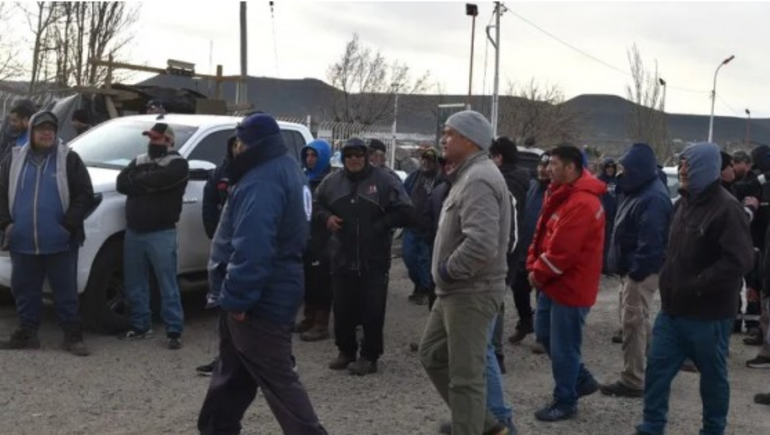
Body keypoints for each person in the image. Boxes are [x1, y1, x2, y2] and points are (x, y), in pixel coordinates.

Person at [197, 113, 328, 435]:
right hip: (260, 291)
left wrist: (239, 299)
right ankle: (216, 428)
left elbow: (254, 246)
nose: (236, 147)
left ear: (251, 143)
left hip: (260, 298)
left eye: (239, 141)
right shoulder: (284, 168)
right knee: (233, 373)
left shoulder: (262, 180)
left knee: (279, 381)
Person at [633, 142, 753, 435]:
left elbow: (739, 261)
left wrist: (697, 285)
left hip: (709, 317)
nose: (683, 170)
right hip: (672, 313)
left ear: (705, 168)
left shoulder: (727, 209)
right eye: (682, 163)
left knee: (713, 378)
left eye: (688, 164)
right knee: (658, 370)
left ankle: (713, 430)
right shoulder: (682, 204)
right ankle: (652, 426)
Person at [419, 110, 513, 435]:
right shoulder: (466, 175)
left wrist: (446, 270)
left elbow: (482, 243)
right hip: (454, 291)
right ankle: (482, 423)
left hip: (471, 291)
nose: (443, 139)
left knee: (466, 377)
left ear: (470, 139)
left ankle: (470, 426)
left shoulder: (480, 179)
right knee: (432, 354)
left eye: (450, 133)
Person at [315, 137, 412, 376]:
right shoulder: (331, 182)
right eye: (349, 156)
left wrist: (381, 225)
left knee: (372, 309)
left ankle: (370, 356)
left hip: (374, 259)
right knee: (343, 308)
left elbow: (406, 210)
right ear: (343, 158)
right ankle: (345, 351)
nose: (354, 160)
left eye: (359, 155)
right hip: (341, 257)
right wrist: (326, 218)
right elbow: (315, 204)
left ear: (366, 157)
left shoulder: (384, 180)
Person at [0, 111, 94, 356]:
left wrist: (67, 226)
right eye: (41, 129)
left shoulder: (69, 159)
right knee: (24, 290)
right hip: (22, 241)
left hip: (61, 241)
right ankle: (27, 334)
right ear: (31, 131)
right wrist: (6, 225)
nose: (46, 133)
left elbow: (85, 194)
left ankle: (72, 336)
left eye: (50, 129)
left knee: (65, 292)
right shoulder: (13, 159)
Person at [527, 144, 605, 422]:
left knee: (564, 347)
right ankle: (580, 379)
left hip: (571, 287)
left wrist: (537, 272)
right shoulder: (562, 194)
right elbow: (542, 234)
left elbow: (563, 251)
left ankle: (566, 400)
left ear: (571, 167)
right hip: (554, 284)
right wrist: (533, 264)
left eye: (554, 164)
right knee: (545, 335)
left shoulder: (582, 202)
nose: (548, 168)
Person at [601, 143, 673, 398]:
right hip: (633, 270)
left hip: (640, 272)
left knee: (633, 323)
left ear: (638, 169)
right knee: (638, 321)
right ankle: (662, 367)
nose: (621, 172)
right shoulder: (637, 190)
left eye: (625, 167)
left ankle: (633, 380)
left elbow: (652, 242)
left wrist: (635, 272)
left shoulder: (652, 197)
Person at [116, 122, 189, 349]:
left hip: (161, 232)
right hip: (135, 230)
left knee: (167, 283)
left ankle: (174, 330)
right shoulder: (139, 159)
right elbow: (121, 183)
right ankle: (140, 325)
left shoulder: (178, 164)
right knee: (135, 283)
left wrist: (141, 182)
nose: (152, 142)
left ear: (169, 141)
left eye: (157, 139)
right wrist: (148, 183)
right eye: (150, 138)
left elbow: (164, 180)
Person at [195, 134, 237, 376]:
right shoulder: (220, 171)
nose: (239, 148)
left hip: (252, 251)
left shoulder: (261, 174)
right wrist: (216, 234)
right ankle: (224, 358)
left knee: (260, 312)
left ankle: (281, 361)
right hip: (226, 250)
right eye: (235, 144)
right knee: (225, 306)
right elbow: (209, 203)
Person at [489, 135, 529, 371]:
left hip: (502, 254)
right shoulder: (517, 179)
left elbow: (511, 224)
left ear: (499, 157)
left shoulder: (508, 184)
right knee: (496, 302)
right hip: (507, 252)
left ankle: (495, 355)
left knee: (494, 303)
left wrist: (501, 255)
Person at [509, 152, 551, 353]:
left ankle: (544, 336)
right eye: (540, 165)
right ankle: (526, 321)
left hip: (545, 252)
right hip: (525, 248)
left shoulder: (556, 191)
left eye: (547, 165)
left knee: (542, 296)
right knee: (518, 288)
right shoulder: (533, 186)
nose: (542, 169)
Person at [295, 139, 334, 342]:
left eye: (314, 156)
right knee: (308, 279)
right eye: (308, 155)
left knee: (322, 281)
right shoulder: (304, 177)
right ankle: (309, 316)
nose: (310, 159)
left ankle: (321, 322)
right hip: (305, 235)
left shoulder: (330, 180)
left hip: (323, 238)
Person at [402, 148, 442, 305]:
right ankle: (418, 284)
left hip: (430, 229)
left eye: (430, 160)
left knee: (426, 260)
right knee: (409, 257)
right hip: (411, 226)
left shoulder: (440, 179)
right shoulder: (413, 178)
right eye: (424, 159)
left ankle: (425, 289)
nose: (426, 163)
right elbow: (402, 196)